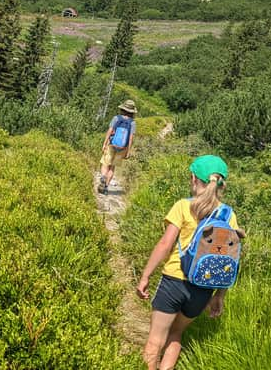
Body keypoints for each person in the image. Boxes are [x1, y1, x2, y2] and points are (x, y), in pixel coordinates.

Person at [135, 155, 245, 370]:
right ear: (222, 184)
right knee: (176, 334)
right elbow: (228, 258)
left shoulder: (183, 206)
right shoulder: (228, 215)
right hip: (203, 289)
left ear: (194, 179)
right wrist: (219, 296)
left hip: (174, 281)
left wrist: (145, 276)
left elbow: (165, 244)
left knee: (155, 340)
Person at [98, 99, 137, 194]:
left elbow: (110, 131)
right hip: (122, 148)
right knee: (112, 167)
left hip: (112, 145)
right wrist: (128, 151)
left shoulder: (116, 118)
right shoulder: (132, 123)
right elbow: (131, 138)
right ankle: (106, 187)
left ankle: (103, 177)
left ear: (123, 108)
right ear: (132, 112)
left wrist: (104, 143)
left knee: (105, 163)